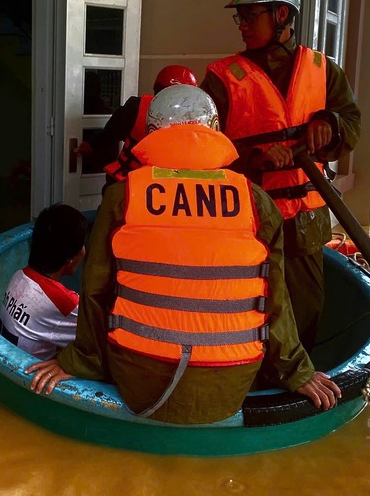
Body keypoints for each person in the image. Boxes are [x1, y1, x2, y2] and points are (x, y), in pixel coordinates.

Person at [25, 85, 341, 425]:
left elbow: (95, 292)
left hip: (139, 379)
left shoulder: (122, 197)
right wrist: (298, 372)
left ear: (152, 132)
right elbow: (275, 300)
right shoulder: (256, 202)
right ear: (214, 131)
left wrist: (76, 362)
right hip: (229, 387)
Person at [201, 0, 361, 352]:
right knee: (246, 302)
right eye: (238, 16)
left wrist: (330, 124)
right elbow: (203, 147)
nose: (241, 25)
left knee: (305, 307)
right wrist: (253, 158)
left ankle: (296, 377)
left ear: (282, 16)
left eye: (249, 15)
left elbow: (351, 120)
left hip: (306, 218)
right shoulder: (222, 78)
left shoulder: (324, 70)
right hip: (248, 214)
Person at [0, 204, 88, 360]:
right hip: (28, 378)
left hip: (6, 365)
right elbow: (99, 342)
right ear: (70, 259)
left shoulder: (19, 276)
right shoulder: (64, 303)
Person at [77, 65, 198, 181]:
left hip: (132, 183)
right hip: (168, 186)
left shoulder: (136, 107)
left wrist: (92, 143)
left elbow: (108, 135)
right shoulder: (199, 120)